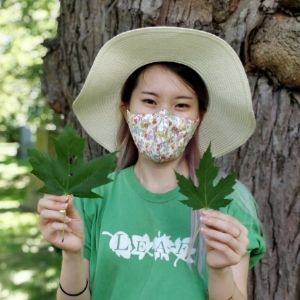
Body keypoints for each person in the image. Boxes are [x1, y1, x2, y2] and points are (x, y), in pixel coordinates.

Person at [37, 27, 266, 300]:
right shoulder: (92, 198)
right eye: (149, 101)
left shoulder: (228, 203)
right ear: (126, 109)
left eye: (181, 105)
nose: (163, 116)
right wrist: (73, 255)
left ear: (198, 118)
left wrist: (219, 271)